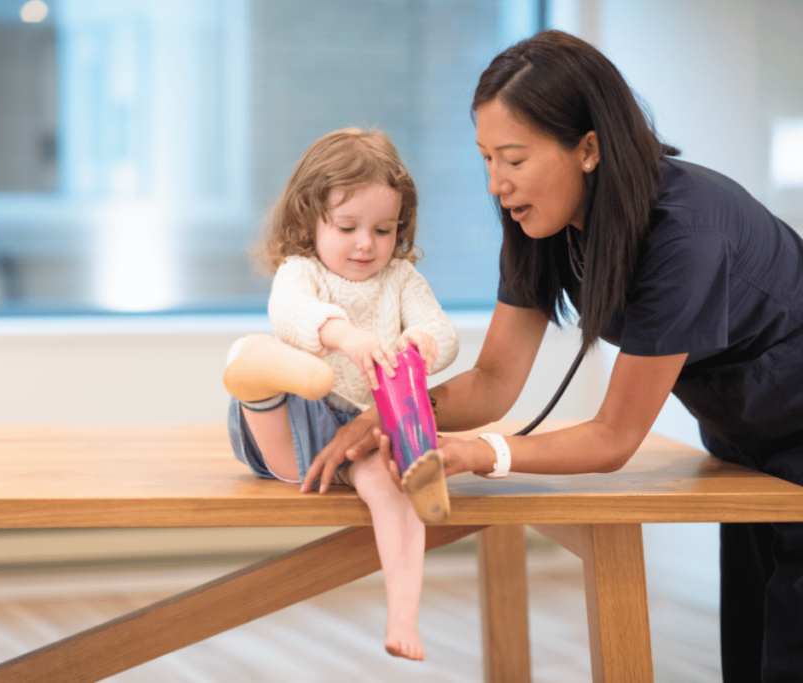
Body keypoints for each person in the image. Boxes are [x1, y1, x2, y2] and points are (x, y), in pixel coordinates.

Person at [302, 29, 803, 682]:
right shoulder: (542, 225)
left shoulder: (687, 235)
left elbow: (615, 435)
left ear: (588, 148)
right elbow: (493, 381)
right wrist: (402, 412)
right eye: (485, 158)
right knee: (753, 647)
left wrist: (485, 453)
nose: (495, 184)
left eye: (513, 158)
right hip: (745, 437)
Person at [223, 128, 460, 661]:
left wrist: (420, 344)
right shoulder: (301, 271)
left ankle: (403, 612)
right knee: (255, 349)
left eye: (383, 229)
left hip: (364, 438)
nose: (366, 244)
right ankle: (254, 372)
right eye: (348, 226)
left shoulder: (401, 279)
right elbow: (288, 313)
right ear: (309, 220)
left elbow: (444, 333)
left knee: (393, 488)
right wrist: (343, 336)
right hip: (291, 429)